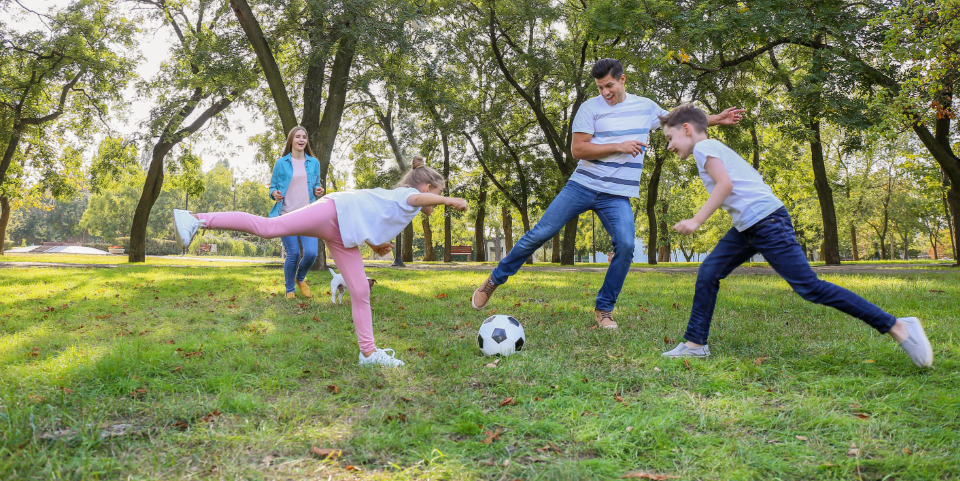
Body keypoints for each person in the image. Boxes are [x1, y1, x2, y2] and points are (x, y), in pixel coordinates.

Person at [470, 58, 744, 329]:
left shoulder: (645, 107)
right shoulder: (590, 108)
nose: (605, 92)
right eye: (600, 87)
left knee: (626, 246)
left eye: (609, 85)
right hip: (582, 186)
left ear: (622, 79)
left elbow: (678, 121)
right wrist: (619, 146)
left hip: (616, 195)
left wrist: (715, 119)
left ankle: (604, 309)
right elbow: (578, 150)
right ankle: (493, 280)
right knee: (540, 233)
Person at [657, 104, 933, 367]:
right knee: (709, 272)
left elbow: (725, 185)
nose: (669, 146)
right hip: (748, 226)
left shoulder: (704, 147)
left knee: (810, 287)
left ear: (687, 129)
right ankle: (695, 344)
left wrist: (696, 220)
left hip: (766, 222)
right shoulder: (712, 147)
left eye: (670, 138)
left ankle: (897, 326)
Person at [173, 157, 467, 367]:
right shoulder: (410, 195)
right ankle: (196, 219)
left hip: (343, 235)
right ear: (427, 187)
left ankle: (368, 354)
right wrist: (450, 201)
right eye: (439, 193)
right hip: (333, 211)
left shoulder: (401, 202)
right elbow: (418, 201)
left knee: (360, 290)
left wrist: (374, 245)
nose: (439, 199)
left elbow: (367, 217)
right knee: (269, 227)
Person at [270, 126, 324, 299]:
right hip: (286, 214)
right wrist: (274, 193)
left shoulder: (314, 163)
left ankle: (300, 278)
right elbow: (273, 187)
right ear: (291, 140)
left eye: (304, 137)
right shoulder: (281, 163)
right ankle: (290, 290)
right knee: (293, 253)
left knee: (311, 253)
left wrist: (318, 190)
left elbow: (316, 184)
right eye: (298, 136)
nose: (301, 140)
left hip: (308, 215)